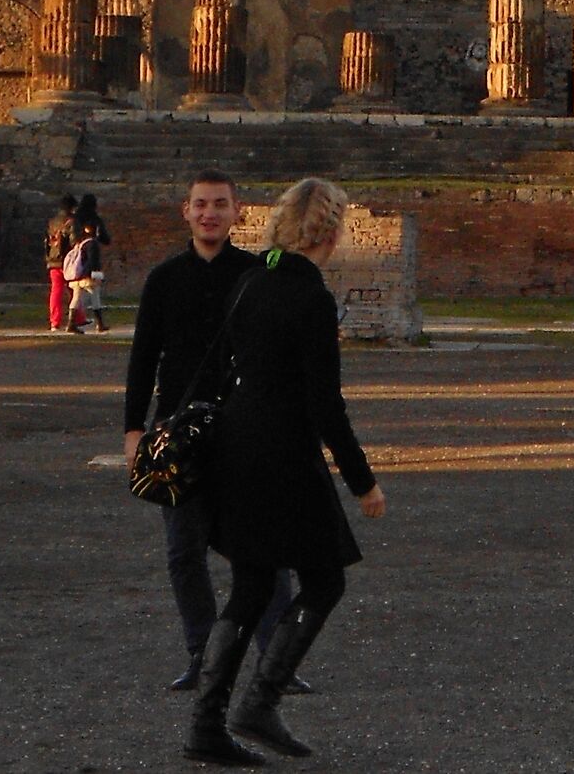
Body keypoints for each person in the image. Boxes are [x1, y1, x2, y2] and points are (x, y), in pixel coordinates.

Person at [189, 177, 386, 764]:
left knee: (251, 587)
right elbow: (326, 405)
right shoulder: (310, 298)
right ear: (329, 231)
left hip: (236, 451)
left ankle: (206, 725)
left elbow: (219, 371)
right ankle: (259, 703)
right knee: (324, 580)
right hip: (283, 457)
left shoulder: (251, 281)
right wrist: (363, 483)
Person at [125, 174, 294, 695]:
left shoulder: (256, 273)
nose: (210, 214)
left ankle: (276, 659)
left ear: (237, 212)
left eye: (220, 205)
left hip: (243, 427)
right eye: (201, 204)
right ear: (186, 211)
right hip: (177, 430)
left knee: (262, 545)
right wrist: (133, 428)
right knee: (184, 550)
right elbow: (143, 357)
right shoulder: (164, 278)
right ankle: (202, 653)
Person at [65, 192, 111, 334]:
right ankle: (100, 323)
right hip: (89, 268)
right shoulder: (94, 221)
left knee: (76, 296)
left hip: (78, 263)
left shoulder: (75, 220)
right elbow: (105, 239)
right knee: (95, 294)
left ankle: (71, 323)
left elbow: (70, 239)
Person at [46, 194, 78, 333]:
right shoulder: (71, 221)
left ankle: (55, 322)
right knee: (75, 290)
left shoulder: (52, 222)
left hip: (53, 260)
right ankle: (77, 318)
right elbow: (73, 240)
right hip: (68, 260)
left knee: (56, 291)